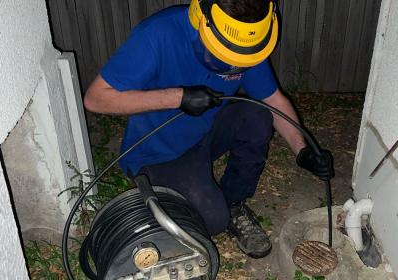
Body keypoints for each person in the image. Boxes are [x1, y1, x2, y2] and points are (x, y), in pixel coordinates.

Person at [84, 0, 334, 259]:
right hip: (157, 152)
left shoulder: (247, 42)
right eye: (223, 55)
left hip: (205, 133)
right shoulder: (158, 34)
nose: (230, 66)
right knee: (213, 220)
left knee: (256, 115)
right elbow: (96, 98)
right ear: (201, 22)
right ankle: (172, 195)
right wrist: (177, 98)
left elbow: (273, 101)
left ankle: (234, 202)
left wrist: (302, 149)